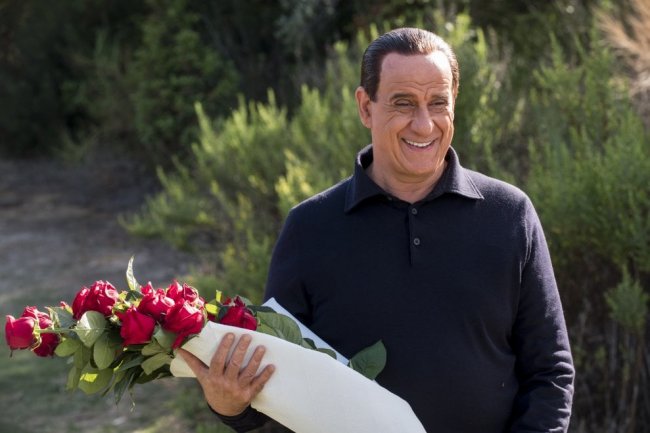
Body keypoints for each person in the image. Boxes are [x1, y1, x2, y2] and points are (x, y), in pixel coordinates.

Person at [179, 27, 575, 432]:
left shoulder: (510, 215)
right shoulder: (310, 228)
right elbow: (277, 386)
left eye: (438, 103)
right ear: (365, 107)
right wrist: (230, 405)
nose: (424, 124)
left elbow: (550, 371)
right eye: (404, 103)